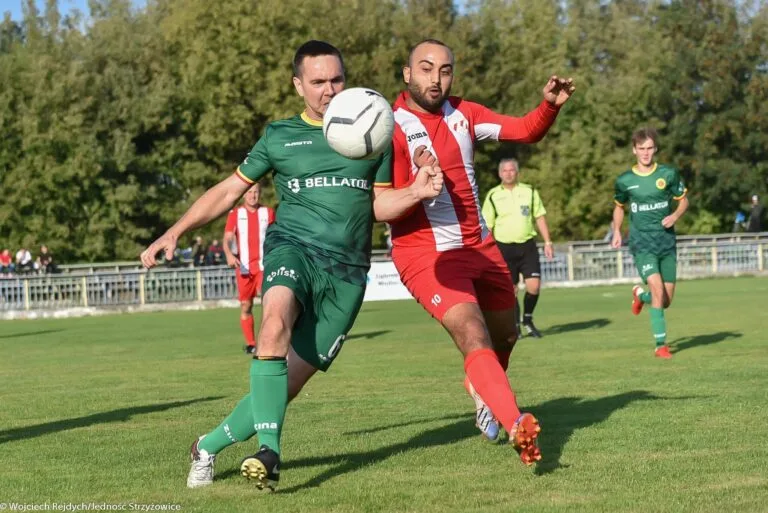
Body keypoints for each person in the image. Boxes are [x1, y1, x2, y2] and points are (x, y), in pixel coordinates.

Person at [140, 40, 442, 490]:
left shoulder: (375, 130)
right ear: (297, 84)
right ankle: (270, 453)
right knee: (273, 322)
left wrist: (417, 191)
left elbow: (377, 206)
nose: (329, 89)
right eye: (318, 81)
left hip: (346, 275)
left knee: (284, 388)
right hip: (292, 248)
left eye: (336, 79)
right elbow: (227, 191)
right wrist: (175, 231)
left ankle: (205, 446)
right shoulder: (279, 136)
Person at [385, 39, 573, 464]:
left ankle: (482, 390)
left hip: (481, 247)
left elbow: (525, 130)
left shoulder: (465, 114)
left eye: (445, 70)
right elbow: (379, 203)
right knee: (474, 333)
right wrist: (416, 188)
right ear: (407, 73)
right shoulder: (387, 126)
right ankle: (515, 422)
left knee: (506, 334)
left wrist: (549, 106)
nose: (436, 79)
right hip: (425, 254)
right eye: (426, 68)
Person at [612, 127, 689, 359]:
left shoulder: (668, 174)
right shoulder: (625, 181)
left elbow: (683, 201)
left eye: (649, 148)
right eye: (641, 148)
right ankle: (660, 346)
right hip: (642, 243)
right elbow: (619, 207)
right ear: (634, 150)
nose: (645, 153)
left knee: (665, 301)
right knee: (657, 289)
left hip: (666, 243)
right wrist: (616, 230)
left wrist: (674, 216)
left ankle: (640, 297)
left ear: (655, 148)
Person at [482, 159, 554, 338]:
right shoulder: (492, 195)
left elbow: (540, 217)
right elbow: (488, 226)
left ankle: (527, 319)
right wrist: (486, 250)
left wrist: (548, 242)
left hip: (527, 245)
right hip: (504, 248)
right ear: (500, 174)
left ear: (517, 172)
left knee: (534, 286)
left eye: (512, 170)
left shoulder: (529, 191)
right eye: (504, 170)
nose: (508, 173)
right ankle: (515, 325)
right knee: (511, 290)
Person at [222, 180, 275, 354]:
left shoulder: (268, 212)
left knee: (268, 302)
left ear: (260, 194)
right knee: (246, 306)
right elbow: (228, 238)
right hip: (243, 267)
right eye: (250, 192)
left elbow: (276, 236)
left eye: (256, 192)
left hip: (263, 266)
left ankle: (269, 340)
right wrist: (229, 254)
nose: (253, 195)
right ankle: (251, 343)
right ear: (244, 194)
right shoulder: (235, 214)